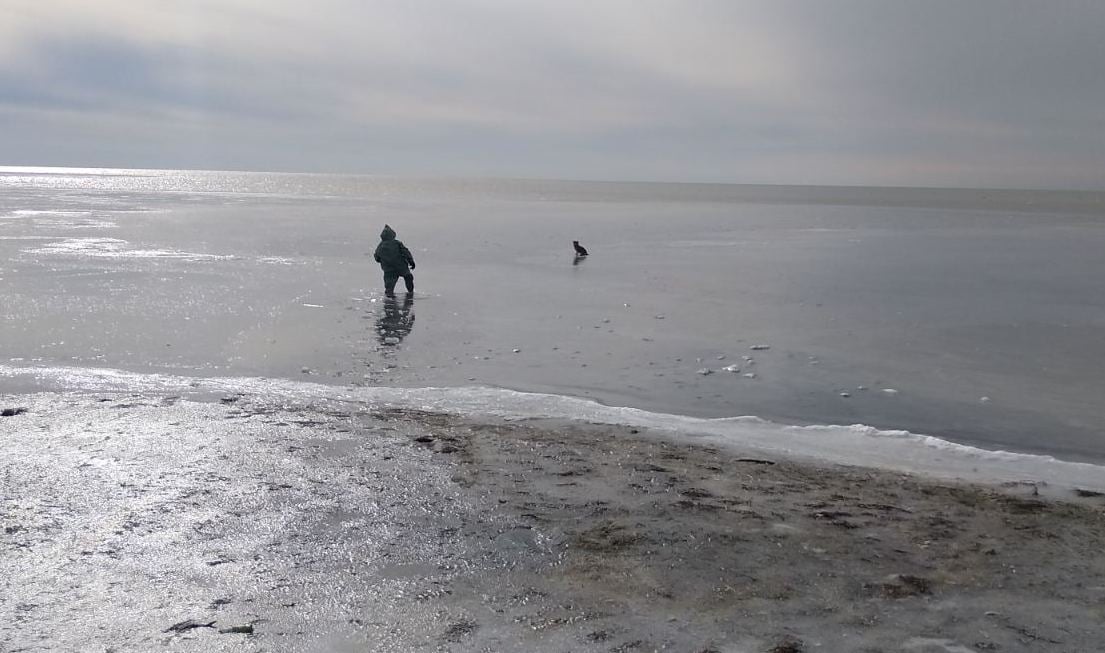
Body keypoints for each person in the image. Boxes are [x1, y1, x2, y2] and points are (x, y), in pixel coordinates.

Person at [373, 224, 416, 297]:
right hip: (401, 267)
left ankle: (389, 299)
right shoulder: (397, 243)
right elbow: (406, 252)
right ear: (392, 235)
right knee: (408, 277)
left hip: (388, 269)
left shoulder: (380, 246)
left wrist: (382, 261)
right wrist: (411, 262)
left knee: (389, 286)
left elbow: (377, 257)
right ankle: (410, 293)